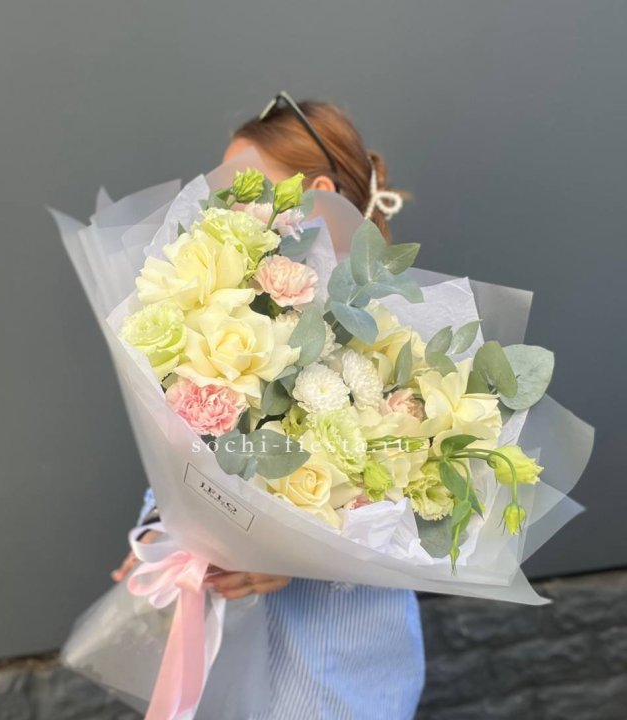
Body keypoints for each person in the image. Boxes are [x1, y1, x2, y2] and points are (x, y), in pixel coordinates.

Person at [113, 93, 425, 720]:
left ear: (315, 193)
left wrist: (300, 555)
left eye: (241, 186)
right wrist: (163, 529)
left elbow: (420, 505)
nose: (222, 204)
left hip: (340, 657)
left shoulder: (393, 334)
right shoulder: (225, 312)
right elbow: (185, 442)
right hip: (229, 643)